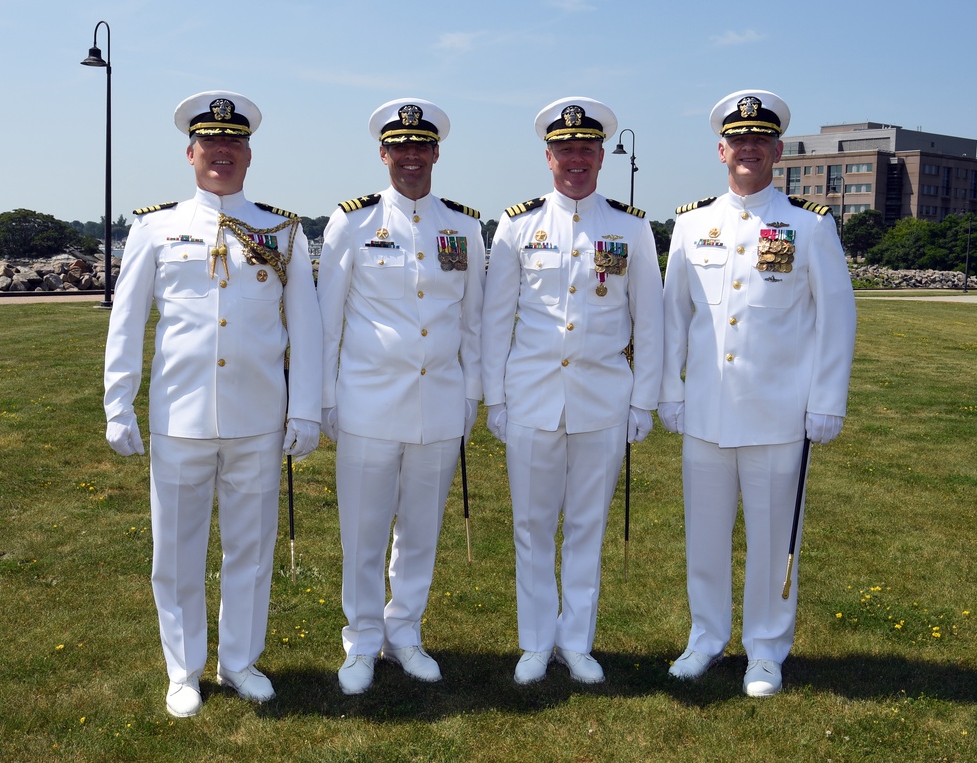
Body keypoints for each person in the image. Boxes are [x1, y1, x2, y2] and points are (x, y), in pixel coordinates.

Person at [103, 91, 322, 717]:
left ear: (248, 153)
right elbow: (127, 319)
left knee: (250, 552)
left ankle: (239, 661)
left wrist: (305, 409)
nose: (221, 153)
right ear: (191, 152)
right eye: (210, 143)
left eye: (234, 143)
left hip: (258, 418)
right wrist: (119, 403)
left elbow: (304, 328)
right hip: (182, 416)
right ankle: (183, 670)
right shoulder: (155, 227)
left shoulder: (281, 230)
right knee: (174, 553)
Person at [659, 89, 857, 697]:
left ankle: (767, 650)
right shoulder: (693, 224)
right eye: (737, 140)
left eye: (760, 140)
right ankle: (705, 637)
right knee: (706, 536)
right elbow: (673, 317)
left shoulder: (810, 224)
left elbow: (837, 317)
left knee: (775, 540)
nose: (749, 149)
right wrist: (671, 390)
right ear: (721, 150)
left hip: (779, 412)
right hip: (708, 412)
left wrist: (827, 399)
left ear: (777, 150)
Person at [481, 97, 664, 685]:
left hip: (603, 398)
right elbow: (494, 319)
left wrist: (643, 400)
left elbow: (651, 321)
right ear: (548, 156)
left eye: (586, 149)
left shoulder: (631, 228)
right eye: (565, 150)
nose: (576, 160)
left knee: (588, 525)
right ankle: (535, 641)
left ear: (602, 156)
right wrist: (496, 397)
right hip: (532, 397)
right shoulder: (519, 223)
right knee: (532, 527)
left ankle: (577, 640)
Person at [317, 98, 485, 695]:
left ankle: (405, 631)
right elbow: (327, 320)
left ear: (436, 152)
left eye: (422, 146)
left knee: (420, 529)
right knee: (363, 531)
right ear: (383, 153)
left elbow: (473, 321)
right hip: (366, 401)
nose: (411, 157)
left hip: (438, 401)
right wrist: (325, 398)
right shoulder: (353, 222)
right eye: (400, 147)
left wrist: (472, 393)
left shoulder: (463, 226)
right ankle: (362, 639)